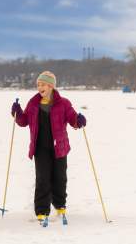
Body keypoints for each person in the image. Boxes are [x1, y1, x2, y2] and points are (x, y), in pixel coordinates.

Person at [11, 71, 86, 224]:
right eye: (38, 84)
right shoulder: (33, 103)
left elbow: (73, 120)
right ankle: (41, 210)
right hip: (40, 147)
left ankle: (60, 205)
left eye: (43, 84)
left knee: (60, 178)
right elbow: (23, 121)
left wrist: (79, 121)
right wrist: (17, 113)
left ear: (51, 86)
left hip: (60, 147)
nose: (40, 87)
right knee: (42, 179)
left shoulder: (63, 103)